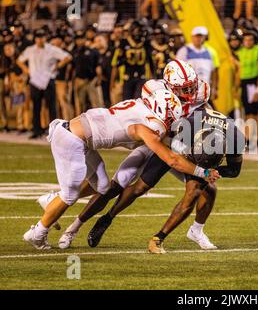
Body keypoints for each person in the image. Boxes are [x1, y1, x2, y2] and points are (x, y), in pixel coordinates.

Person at [37, 60, 213, 249]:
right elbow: (145, 120)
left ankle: (197, 230)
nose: (191, 92)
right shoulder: (154, 90)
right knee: (117, 186)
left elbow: (208, 114)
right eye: (184, 89)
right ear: (170, 86)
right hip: (153, 142)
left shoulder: (201, 91)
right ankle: (75, 228)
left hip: (178, 145)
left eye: (192, 86)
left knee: (207, 189)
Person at [88, 107, 244, 254]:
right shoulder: (185, 127)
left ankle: (161, 237)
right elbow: (168, 148)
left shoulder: (235, 138)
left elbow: (234, 171)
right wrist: (190, 161)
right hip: (176, 147)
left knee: (201, 190)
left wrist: (214, 171)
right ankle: (108, 217)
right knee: (141, 187)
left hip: (195, 146)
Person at [17, 29, 72, 139]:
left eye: (42, 37)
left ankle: (54, 132)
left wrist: (58, 66)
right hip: (35, 81)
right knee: (36, 106)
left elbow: (67, 57)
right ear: (35, 38)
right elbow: (19, 60)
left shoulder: (51, 49)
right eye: (38, 37)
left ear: (45, 38)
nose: (40, 39)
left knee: (51, 107)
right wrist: (26, 70)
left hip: (48, 80)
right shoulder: (30, 49)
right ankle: (37, 130)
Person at [236, 30, 258, 145]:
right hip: (245, 84)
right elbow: (239, 71)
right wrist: (236, 86)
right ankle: (248, 138)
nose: (248, 42)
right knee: (248, 112)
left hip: (254, 83)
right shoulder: (240, 52)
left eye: (250, 40)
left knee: (256, 113)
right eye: (246, 40)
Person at [111, 21, 153, 100]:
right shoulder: (123, 43)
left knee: (138, 100)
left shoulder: (145, 43)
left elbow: (149, 62)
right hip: (127, 77)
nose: (137, 32)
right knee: (126, 101)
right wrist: (113, 82)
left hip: (141, 77)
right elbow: (116, 64)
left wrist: (150, 78)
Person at [176, 26, 218, 98]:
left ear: (205, 38)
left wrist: (214, 89)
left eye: (201, 36)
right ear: (192, 37)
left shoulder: (210, 52)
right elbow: (177, 71)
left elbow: (214, 72)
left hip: (205, 92)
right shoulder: (184, 51)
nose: (199, 39)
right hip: (188, 92)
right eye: (197, 36)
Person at [72, 30, 104, 116]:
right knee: (80, 105)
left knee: (96, 104)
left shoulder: (93, 51)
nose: (80, 41)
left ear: (84, 39)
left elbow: (98, 67)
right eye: (78, 39)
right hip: (80, 81)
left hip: (91, 80)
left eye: (81, 39)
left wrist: (99, 79)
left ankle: (99, 123)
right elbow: (73, 68)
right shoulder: (74, 52)